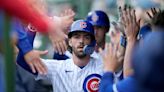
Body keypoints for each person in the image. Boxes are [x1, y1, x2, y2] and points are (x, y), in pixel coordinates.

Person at [17, 20, 104, 92]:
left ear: (92, 42)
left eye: (86, 37)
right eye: (76, 37)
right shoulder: (58, 67)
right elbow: (22, 61)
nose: (81, 41)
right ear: (69, 41)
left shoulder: (103, 66)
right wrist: (32, 28)